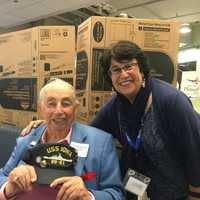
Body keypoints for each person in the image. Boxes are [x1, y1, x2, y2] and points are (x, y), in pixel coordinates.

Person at [21, 41, 200, 200]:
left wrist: (195, 194)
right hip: (136, 187)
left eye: (129, 66)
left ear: (142, 69)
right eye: (116, 69)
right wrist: (49, 124)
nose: (123, 74)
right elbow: (85, 135)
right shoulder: (115, 106)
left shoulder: (170, 101)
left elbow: (195, 148)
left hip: (177, 190)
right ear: (110, 77)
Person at [0, 78, 124, 200]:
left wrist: (88, 196)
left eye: (66, 103)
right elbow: (3, 175)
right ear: (40, 108)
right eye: (51, 104)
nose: (58, 111)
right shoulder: (28, 136)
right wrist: (8, 188)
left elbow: (116, 194)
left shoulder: (101, 142)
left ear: (75, 108)